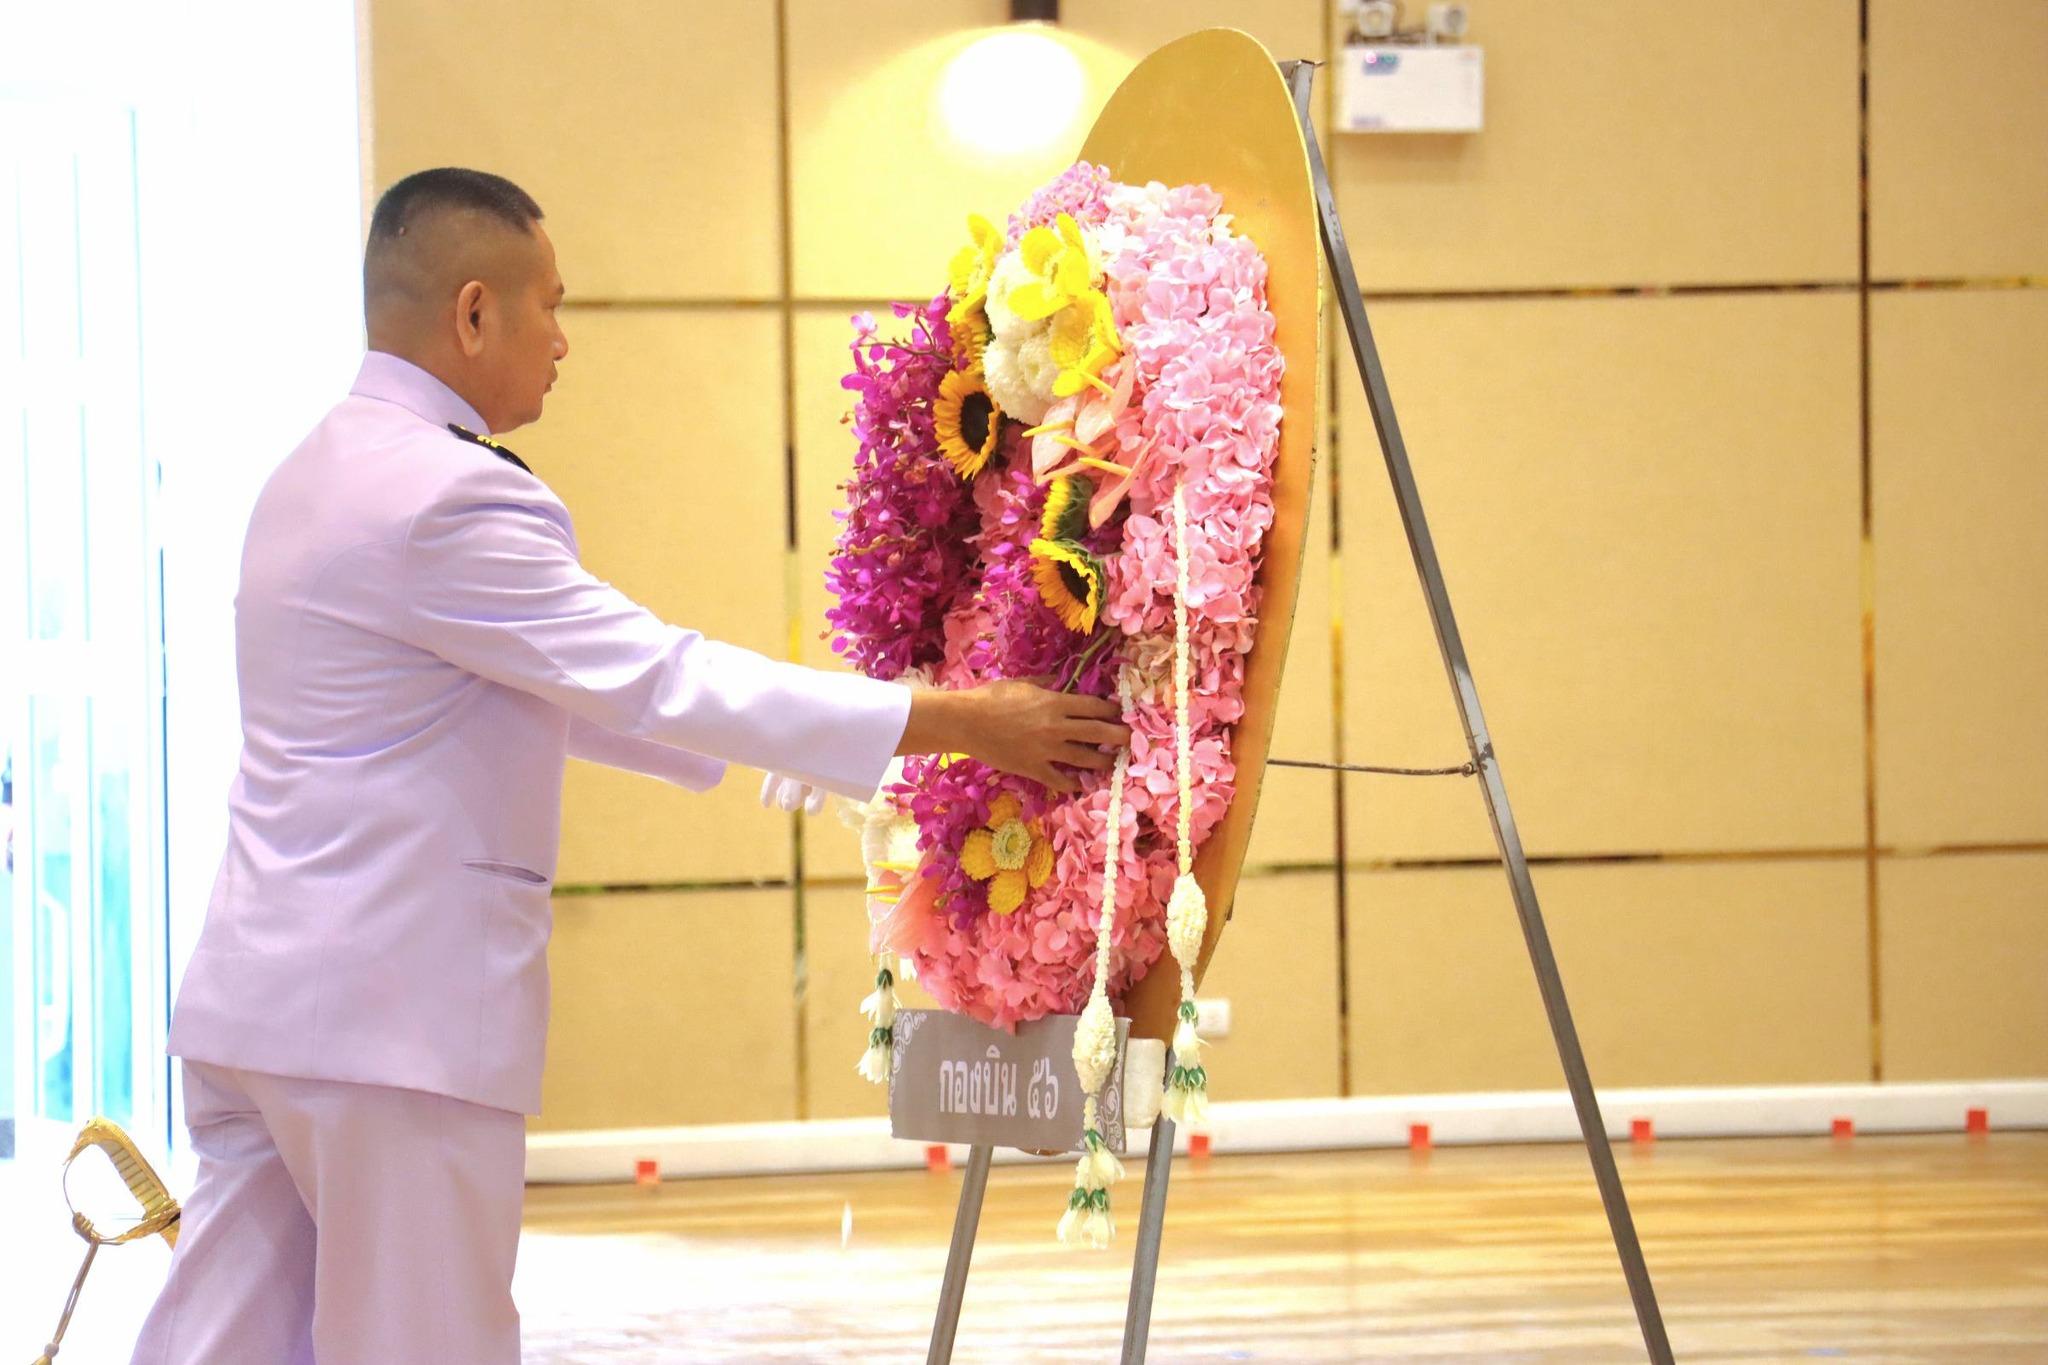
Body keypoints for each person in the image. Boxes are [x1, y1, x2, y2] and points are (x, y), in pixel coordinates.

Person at [129, 167, 1127, 1364]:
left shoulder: (313, 470)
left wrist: (797, 746)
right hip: (389, 1022)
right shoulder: (447, 493)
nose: (562, 340)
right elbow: (655, 674)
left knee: (223, 1342)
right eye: (551, 305)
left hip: (256, 1004)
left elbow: (497, 686)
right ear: (474, 311)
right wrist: (958, 720)